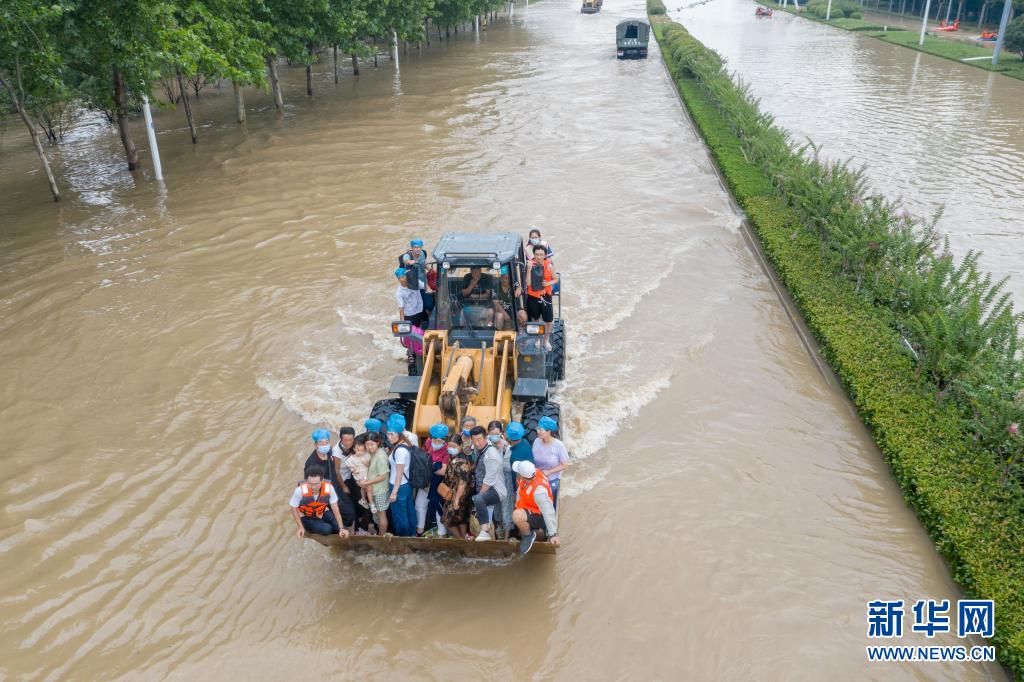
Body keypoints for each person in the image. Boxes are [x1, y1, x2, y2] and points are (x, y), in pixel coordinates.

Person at [305, 428, 355, 532]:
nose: (324, 445)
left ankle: (350, 532)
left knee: (350, 511)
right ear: (315, 445)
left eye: (326, 442)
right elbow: (310, 484)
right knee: (339, 516)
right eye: (321, 443)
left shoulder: (330, 452)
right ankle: (342, 531)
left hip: (336, 486)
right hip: (325, 493)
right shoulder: (311, 463)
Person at [511, 460, 559, 555]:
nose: (517, 474)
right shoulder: (531, 473)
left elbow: (548, 512)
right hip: (529, 507)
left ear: (523, 476)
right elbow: (520, 492)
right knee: (516, 516)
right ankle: (525, 530)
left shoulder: (539, 492)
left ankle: (528, 535)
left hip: (539, 515)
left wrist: (553, 534)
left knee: (516, 516)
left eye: (518, 473)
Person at [289, 464, 350, 538]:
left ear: (322, 481)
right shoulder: (299, 491)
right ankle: (312, 528)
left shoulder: (329, 488)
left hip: (322, 511)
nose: (313, 487)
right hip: (307, 516)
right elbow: (293, 508)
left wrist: (341, 528)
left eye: (316, 484)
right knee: (327, 529)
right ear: (306, 481)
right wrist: (300, 526)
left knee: (338, 527)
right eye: (310, 484)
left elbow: (335, 508)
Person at [469, 426, 506, 541]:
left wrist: (479, 496)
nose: (477, 443)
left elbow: (489, 480)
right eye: (474, 440)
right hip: (484, 489)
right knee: (486, 517)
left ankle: (485, 532)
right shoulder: (480, 449)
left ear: (486, 438)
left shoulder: (491, 455)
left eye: (479, 439)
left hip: (495, 490)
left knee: (478, 500)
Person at [386, 414, 417, 537]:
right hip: (406, 485)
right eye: (388, 434)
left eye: (392, 434)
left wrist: (394, 492)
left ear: (399, 434)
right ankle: (412, 535)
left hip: (398, 486)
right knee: (410, 512)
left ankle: (403, 538)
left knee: (400, 516)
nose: (389, 437)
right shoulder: (405, 444)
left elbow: (399, 473)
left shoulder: (400, 450)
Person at [531, 416, 570, 506]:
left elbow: (565, 465)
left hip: (551, 480)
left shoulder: (558, 445)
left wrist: (549, 471)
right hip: (537, 477)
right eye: (537, 429)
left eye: (541, 430)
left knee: (550, 503)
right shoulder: (536, 441)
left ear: (549, 431)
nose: (538, 432)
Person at [440, 435, 473, 539]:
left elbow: (462, 483)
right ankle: (463, 539)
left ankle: (460, 540)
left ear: (460, 446)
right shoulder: (452, 457)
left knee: (447, 520)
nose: (451, 448)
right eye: (449, 445)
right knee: (460, 519)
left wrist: (456, 500)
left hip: (459, 495)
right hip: (452, 492)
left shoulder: (462, 462)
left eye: (454, 446)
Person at [525, 244, 557, 349]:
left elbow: (556, 279)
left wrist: (548, 284)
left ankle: (546, 340)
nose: (538, 257)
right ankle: (538, 339)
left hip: (545, 296)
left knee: (549, 321)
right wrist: (529, 270)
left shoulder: (549, 266)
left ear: (545, 255)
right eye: (537, 254)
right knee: (535, 319)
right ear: (534, 255)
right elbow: (528, 283)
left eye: (541, 254)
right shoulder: (530, 265)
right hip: (533, 297)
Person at [488, 420, 514, 539]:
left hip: (505, 479)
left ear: (501, 432)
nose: (494, 436)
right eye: (491, 433)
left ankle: (507, 537)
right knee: (496, 505)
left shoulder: (506, 447)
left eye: (496, 433)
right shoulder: (487, 443)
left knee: (506, 506)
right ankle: (498, 529)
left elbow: (508, 467)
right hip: (493, 480)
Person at [361, 432, 390, 535]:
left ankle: (382, 537)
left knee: (381, 515)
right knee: (376, 514)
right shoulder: (373, 453)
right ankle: (380, 533)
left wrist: (368, 482)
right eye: (367, 444)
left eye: (372, 444)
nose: (369, 447)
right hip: (373, 490)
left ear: (377, 443)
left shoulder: (381, 456)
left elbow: (383, 476)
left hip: (380, 491)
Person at [425, 423, 452, 536]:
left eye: (439, 441)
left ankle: (442, 532)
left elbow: (443, 471)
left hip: (438, 482)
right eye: (434, 440)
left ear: (444, 440)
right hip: (427, 481)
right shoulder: (428, 442)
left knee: (438, 505)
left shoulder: (447, 451)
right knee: (421, 505)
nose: (436, 443)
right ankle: (423, 527)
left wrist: (429, 466)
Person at [400, 238, 434, 314]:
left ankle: (428, 313)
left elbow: (424, 263)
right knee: (416, 305)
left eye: (419, 247)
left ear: (421, 247)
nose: (417, 249)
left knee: (429, 304)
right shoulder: (407, 255)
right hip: (413, 283)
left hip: (423, 280)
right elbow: (405, 260)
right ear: (412, 248)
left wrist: (430, 269)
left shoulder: (422, 253)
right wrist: (409, 261)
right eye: (415, 247)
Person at [346, 434, 373, 516]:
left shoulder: (367, 455)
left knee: (368, 488)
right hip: (360, 476)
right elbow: (350, 465)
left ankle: (366, 501)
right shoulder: (352, 458)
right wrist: (353, 470)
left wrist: (367, 463)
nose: (360, 452)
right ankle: (366, 501)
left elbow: (371, 465)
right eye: (358, 450)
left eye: (362, 450)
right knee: (365, 488)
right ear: (354, 449)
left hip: (367, 475)